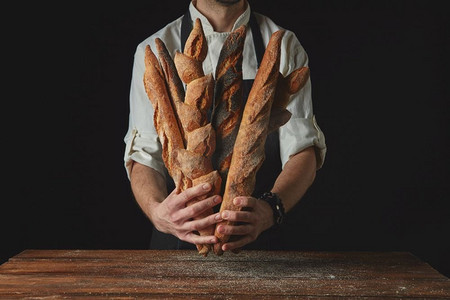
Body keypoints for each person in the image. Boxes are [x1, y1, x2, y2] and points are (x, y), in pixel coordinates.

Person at [123, 0, 326, 253]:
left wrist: (268, 210)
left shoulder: (283, 44)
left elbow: (304, 151)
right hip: (176, 247)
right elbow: (143, 157)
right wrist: (157, 211)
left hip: (262, 248)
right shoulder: (154, 48)